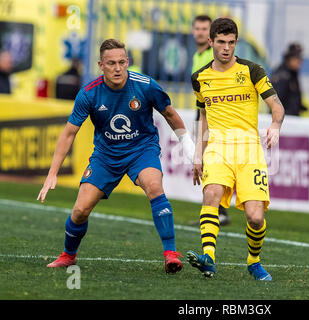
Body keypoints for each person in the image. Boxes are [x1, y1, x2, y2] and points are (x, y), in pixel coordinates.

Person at [37, 39, 196, 274]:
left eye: (122, 62)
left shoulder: (146, 85)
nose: (118, 68)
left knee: (154, 186)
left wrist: (191, 151)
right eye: (111, 63)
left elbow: (171, 115)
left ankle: (170, 254)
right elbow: (69, 132)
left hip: (141, 150)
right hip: (106, 156)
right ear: (101, 65)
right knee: (80, 210)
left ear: (128, 62)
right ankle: (68, 255)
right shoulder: (89, 94)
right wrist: (52, 173)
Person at [187, 18, 285, 281]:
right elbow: (203, 118)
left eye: (231, 43)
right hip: (218, 148)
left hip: (249, 151)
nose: (226, 48)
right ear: (211, 42)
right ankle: (209, 257)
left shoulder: (252, 70)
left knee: (255, 217)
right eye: (221, 42)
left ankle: (254, 261)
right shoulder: (200, 78)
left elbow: (277, 106)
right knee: (212, 195)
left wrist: (275, 126)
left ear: (236, 43)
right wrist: (198, 154)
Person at [191, 14, 231, 226]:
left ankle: (219, 209)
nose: (200, 32)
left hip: (215, 118)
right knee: (204, 161)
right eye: (197, 28)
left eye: (204, 29)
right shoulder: (196, 57)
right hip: (201, 113)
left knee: (214, 161)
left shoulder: (212, 56)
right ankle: (213, 208)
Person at [271, 43, 307, 116]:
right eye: (297, 59)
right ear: (289, 59)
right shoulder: (282, 76)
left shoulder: (293, 74)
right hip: (283, 120)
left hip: (291, 119)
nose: (299, 63)